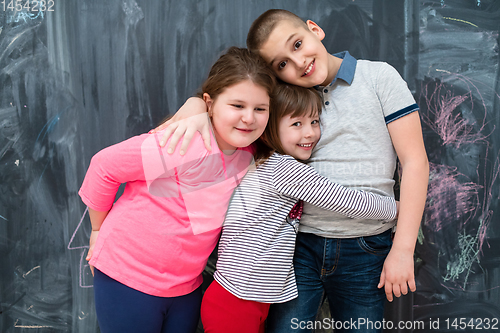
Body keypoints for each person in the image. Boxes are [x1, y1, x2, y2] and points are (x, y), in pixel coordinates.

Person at [78, 47, 276, 333]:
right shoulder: (183, 142)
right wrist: (97, 230)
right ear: (210, 103)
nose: (249, 118)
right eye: (237, 106)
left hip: (185, 286)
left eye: (260, 109)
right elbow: (104, 167)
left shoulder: (251, 152)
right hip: (128, 276)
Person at [200, 82, 399, 333]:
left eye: (314, 122)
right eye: (297, 124)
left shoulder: (262, 160)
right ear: (270, 128)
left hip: (248, 297)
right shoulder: (283, 169)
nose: (310, 133)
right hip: (237, 300)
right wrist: (398, 208)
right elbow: (346, 200)